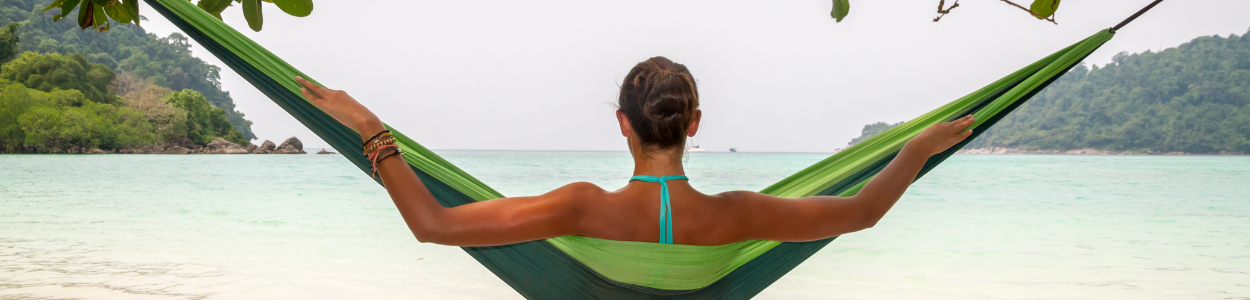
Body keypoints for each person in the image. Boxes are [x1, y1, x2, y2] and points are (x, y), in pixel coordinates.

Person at [296, 56, 974, 247]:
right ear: (696, 123)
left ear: (622, 123)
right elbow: (860, 212)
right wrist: (913, 149)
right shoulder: (736, 215)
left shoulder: (582, 209)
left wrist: (372, 129)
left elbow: (433, 225)